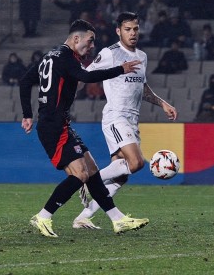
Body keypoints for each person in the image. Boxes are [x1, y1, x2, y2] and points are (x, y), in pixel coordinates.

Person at [19, 19, 149, 237]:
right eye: (89, 42)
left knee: (92, 171)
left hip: (59, 124)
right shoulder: (66, 57)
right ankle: (43, 216)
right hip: (53, 126)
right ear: (76, 38)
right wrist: (120, 69)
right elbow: (86, 77)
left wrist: (26, 114)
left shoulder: (49, 57)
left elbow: (24, 82)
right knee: (80, 174)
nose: (91, 47)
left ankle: (118, 220)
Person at [72, 12, 177, 229]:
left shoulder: (142, 56)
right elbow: (85, 75)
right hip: (115, 117)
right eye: (128, 29)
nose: (132, 33)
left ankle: (83, 217)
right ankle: (88, 181)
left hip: (131, 120)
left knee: (121, 175)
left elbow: (143, 88)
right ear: (118, 31)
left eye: (135, 29)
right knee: (136, 163)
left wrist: (162, 103)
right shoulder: (110, 54)